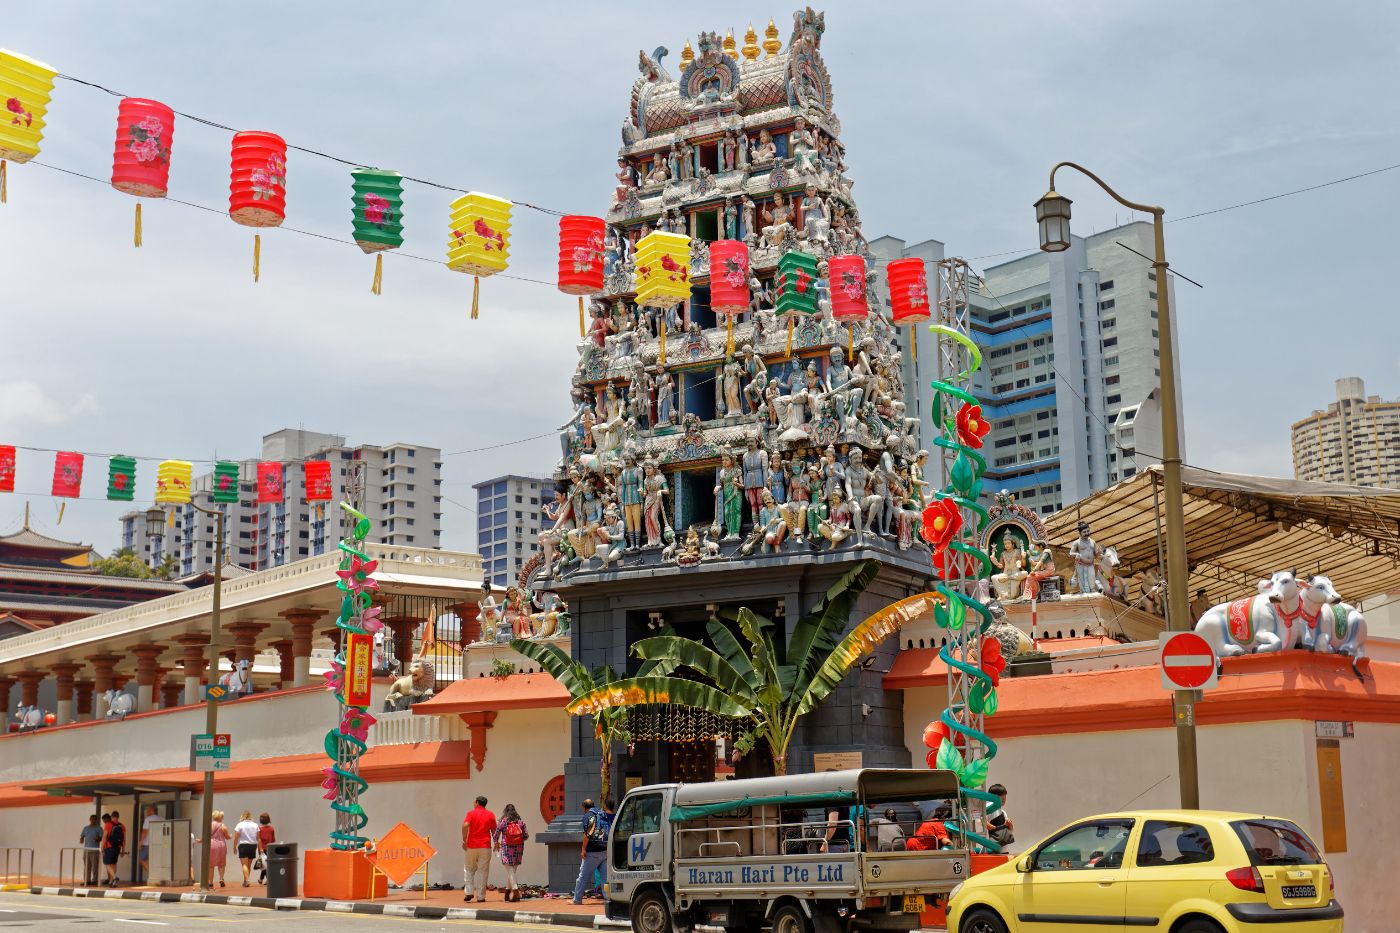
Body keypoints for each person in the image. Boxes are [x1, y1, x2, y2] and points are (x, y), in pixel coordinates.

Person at [572, 797, 614, 904]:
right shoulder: (601, 813)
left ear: (584, 807)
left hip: (593, 852)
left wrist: (583, 849)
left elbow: (588, 833)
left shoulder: (588, 816)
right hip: (605, 850)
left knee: (583, 877)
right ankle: (608, 899)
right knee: (605, 878)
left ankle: (577, 899)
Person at [462, 795, 496, 902]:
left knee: (469, 869)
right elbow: (494, 830)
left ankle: (469, 892)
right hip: (485, 846)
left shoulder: (471, 813)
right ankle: (481, 896)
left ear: (477, 802)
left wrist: (464, 840)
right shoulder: (490, 814)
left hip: (471, 846)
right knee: (483, 871)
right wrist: (496, 842)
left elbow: (465, 825)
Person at [494, 803, 529, 902]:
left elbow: (496, 835)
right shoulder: (521, 822)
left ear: (505, 811)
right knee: (512, 871)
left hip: (507, 848)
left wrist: (496, 842)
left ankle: (515, 891)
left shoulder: (503, 822)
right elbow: (526, 836)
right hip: (518, 849)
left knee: (510, 871)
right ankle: (507, 892)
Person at [232, 810, 260, 887]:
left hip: (243, 845)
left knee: (244, 864)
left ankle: (247, 880)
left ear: (242, 816)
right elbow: (258, 838)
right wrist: (260, 848)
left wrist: (234, 847)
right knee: (249, 865)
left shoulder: (240, 825)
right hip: (253, 845)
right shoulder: (255, 825)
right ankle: (245, 881)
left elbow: (236, 837)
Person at [205, 809, 231, 888]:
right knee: (222, 863)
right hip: (221, 845)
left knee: (210, 865)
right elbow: (227, 837)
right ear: (219, 817)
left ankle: (210, 882)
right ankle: (221, 878)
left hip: (211, 845)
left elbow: (205, 835)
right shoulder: (222, 825)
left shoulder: (209, 825)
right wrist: (231, 836)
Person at [103, 810, 126, 887]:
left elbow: (104, 837)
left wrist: (102, 847)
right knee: (114, 864)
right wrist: (123, 850)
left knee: (107, 864)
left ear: (111, 816)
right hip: (118, 848)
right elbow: (124, 839)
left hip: (109, 847)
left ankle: (114, 878)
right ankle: (112, 881)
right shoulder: (122, 826)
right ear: (118, 817)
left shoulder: (108, 824)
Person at [79, 814, 104, 886]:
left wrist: (98, 839)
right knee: (87, 866)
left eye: (94, 819)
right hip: (86, 850)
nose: (93, 820)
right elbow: (82, 836)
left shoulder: (99, 828)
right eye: (92, 819)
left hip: (95, 850)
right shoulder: (86, 828)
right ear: (89, 819)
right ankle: (87, 880)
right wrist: (81, 839)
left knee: (95, 866)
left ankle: (95, 880)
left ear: (96, 820)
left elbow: (102, 838)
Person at [139, 804, 158, 882]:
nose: (146, 812)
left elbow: (145, 831)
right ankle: (155, 875)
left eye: (148, 810)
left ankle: (153, 875)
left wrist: (140, 842)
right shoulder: (162, 818)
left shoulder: (148, 819)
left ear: (151, 811)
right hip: (158, 844)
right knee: (155, 860)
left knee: (142, 859)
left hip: (147, 843)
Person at [256, 813, 276, 884]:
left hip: (261, 848)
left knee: (264, 864)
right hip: (269, 848)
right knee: (266, 864)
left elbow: (258, 839)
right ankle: (261, 879)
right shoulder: (271, 829)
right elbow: (273, 840)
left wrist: (260, 848)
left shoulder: (259, 829)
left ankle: (267, 879)